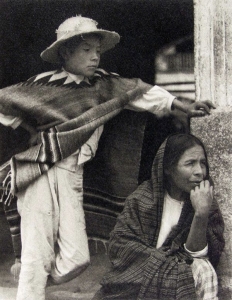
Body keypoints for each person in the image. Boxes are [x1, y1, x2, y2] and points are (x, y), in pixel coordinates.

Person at [0, 16, 215, 300]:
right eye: (86, 50)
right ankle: (29, 284)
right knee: (37, 251)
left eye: (97, 51)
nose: (94, 56)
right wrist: (30, 129)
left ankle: (27, 281)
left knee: (77, 257)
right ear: (65, 52)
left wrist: (181, 104)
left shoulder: (105, 85)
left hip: (72, 172)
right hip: (39, 170)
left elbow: (142, 92)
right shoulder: (43, 84)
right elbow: (5, 104)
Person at [93, 133, 225, 300]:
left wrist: (201, 213)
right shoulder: (141, 200)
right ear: (168, 168)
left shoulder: (206, 202)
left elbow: (198, 255)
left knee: (204, 269)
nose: (199, 172)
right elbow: (121, 247)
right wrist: (166, 266)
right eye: (190, 163)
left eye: (203, 163)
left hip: (180, 276)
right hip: (137, 281)